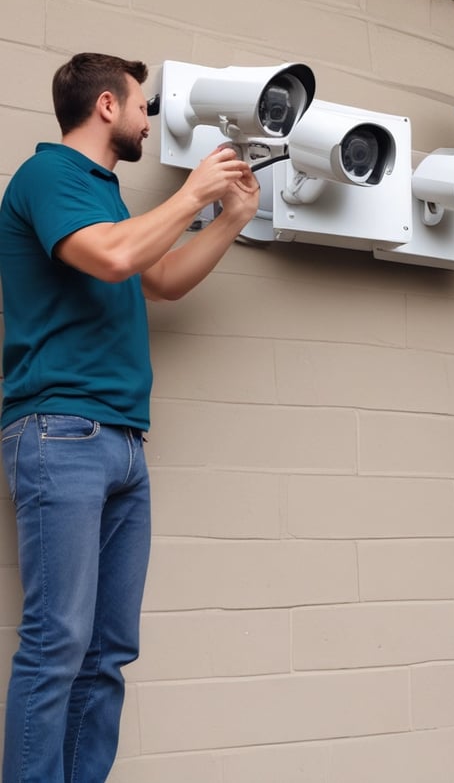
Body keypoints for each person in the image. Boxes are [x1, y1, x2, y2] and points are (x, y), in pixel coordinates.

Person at [0, 52, 261, 783]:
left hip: (121, 442)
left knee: (107, 650)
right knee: (57, 643)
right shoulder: (48, 176)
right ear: (107, 105)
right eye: (142, 105)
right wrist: (192, 192)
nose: (150, 120)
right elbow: (113, 259)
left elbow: (163, 278)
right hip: (61, 432)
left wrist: (231, 218)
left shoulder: (107, 199)